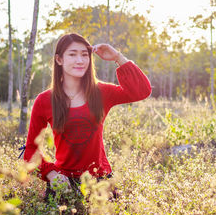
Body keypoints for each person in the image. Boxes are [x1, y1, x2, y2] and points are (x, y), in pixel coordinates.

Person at [23, 33, 151, 200]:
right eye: (72, 54)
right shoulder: (44, 100)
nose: (80, 60)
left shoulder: (101, 92)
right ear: (59, 60)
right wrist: (51, 174)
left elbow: (142, 91)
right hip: (63, 182)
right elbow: (30, 151)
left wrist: (117, 57)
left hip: (100, 180)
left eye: (85, 55)